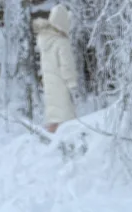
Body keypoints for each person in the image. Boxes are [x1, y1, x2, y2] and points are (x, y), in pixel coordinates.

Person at [33, 3, 77, 133]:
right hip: (61, 83)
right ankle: (65, 143)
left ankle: (51, 138)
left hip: (49, 83)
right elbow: (66, 65)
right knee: (66, 116)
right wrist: (72, 83)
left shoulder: (44, 39)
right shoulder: (61, 42)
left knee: (54, 115)